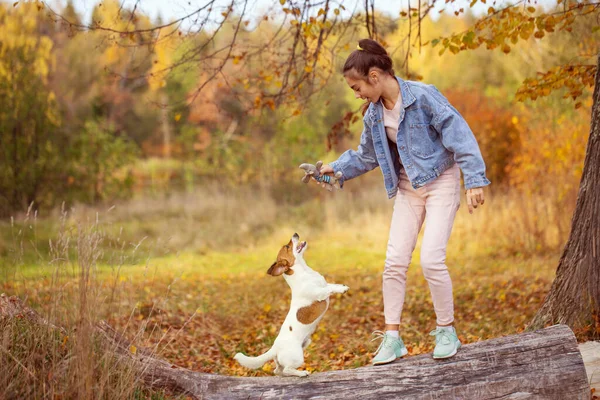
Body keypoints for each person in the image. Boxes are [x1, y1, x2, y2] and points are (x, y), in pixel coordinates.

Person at [312, 38, 490, 365]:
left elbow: (459, 134)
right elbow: (366, 157)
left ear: (375, 76)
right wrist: (333, 169)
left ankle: (447, 330)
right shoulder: (373, 116)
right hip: (408, 189)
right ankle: (393, 339)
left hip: (442, 182)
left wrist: (474, 179)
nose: (357, 94)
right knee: (393, 263)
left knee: (432, 260)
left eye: (357, 87)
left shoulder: (423, 97)